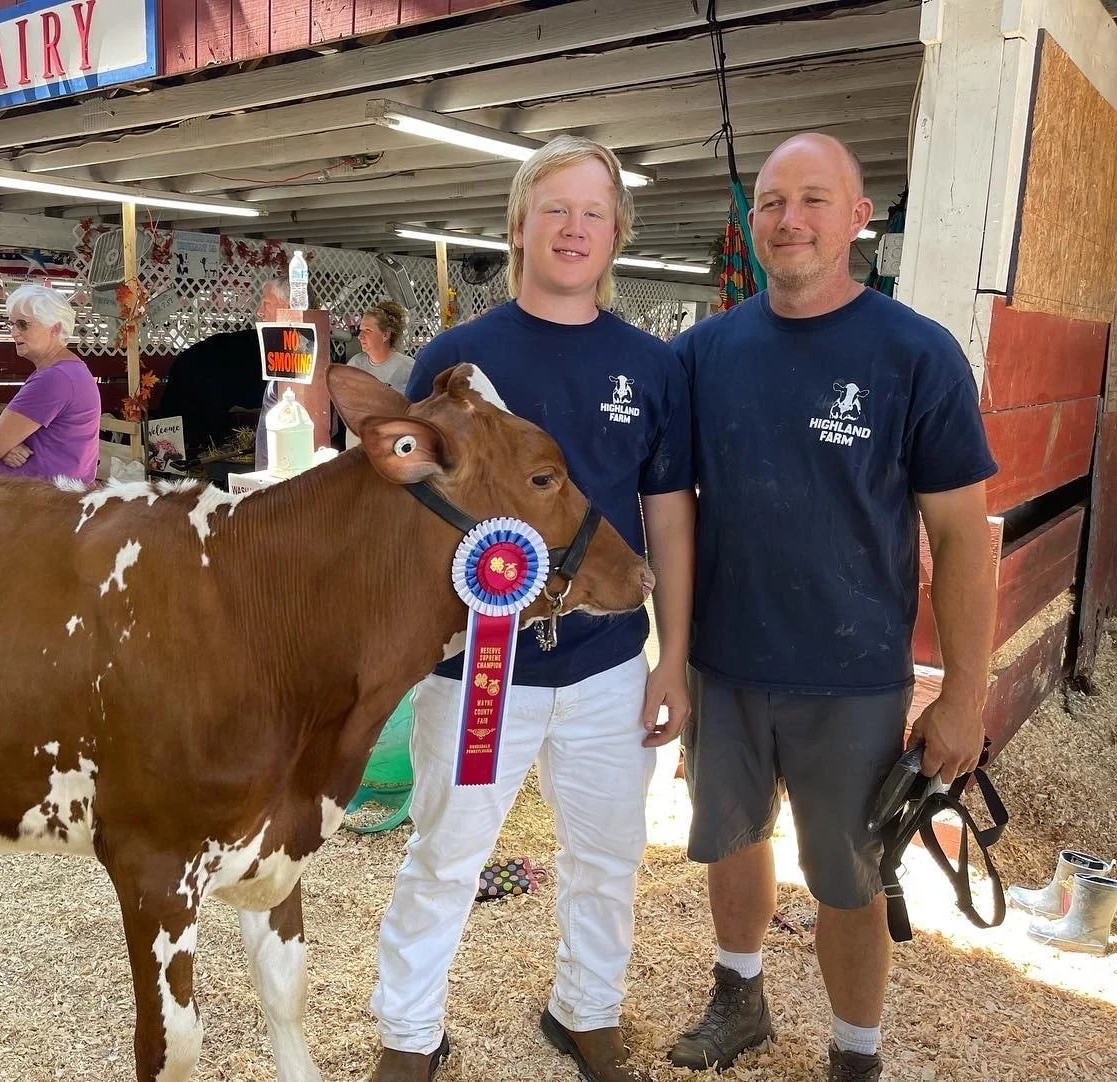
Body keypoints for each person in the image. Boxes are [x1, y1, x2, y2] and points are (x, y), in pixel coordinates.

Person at [667, 133, 998, 1082]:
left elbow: (967, 538)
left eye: (815, 199)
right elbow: (668, 510)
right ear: (752, 221)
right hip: (725, 666)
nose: (790, 219)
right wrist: (673, 657)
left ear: (859, 218)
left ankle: (856, 1052)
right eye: (771, 202)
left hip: (851, 677)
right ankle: (741, 994)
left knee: (848, 878)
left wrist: (963, 695)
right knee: (729, 840)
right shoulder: (703, 355)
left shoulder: (915, 354)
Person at [368, 135, 696, 1082]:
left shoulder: (652, 365)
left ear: (617, 235)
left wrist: (671, 658)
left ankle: (586, 1010)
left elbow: (667, 517)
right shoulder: (459, 358)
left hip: (604, 665)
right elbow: (405, 503)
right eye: (555, 209)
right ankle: (409, 1033)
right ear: (518, 227)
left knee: (607, 858)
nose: (574, 228)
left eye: (594, 212)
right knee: (446, 855)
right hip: (479, 662)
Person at [0, 284, 101, 485]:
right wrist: (4, 446)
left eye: (23, 324)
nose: (14, 333)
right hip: (51, 499)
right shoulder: (67, 371)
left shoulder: (54, 378)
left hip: (38, 505)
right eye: (12, 324)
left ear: (55, 329)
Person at [159, 277, 283, 456]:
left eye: (266, 304)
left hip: (207, 372)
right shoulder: (195, 363)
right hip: (209, 372)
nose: (259, 312)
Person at [343, 300, 416, 450]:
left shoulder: (408, 368)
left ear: (385, 335)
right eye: (360, 329)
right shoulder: (354, 365)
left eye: (367, 331)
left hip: (390, 450)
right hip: (356, 450)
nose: (360, 336)